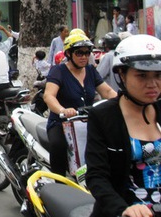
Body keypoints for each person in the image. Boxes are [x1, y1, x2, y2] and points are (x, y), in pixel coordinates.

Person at [86, 34, 161, 217]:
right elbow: (97, 176)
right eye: (142, 75)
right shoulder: (103, 116)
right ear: (121, 74)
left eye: (158, 75)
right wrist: (123, 209)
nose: (152, 84)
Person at [43, 33, 117, 176]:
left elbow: (107, 91)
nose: (84, 56)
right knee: (58, 145)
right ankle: (59, 182)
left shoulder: (90, 70)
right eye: (79, 53)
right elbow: (49, 96)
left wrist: (124, 102)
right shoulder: (58, 71)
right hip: (61, 123)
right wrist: (63, 110)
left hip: (86, 122)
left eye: (87, 52)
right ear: (69, 54)